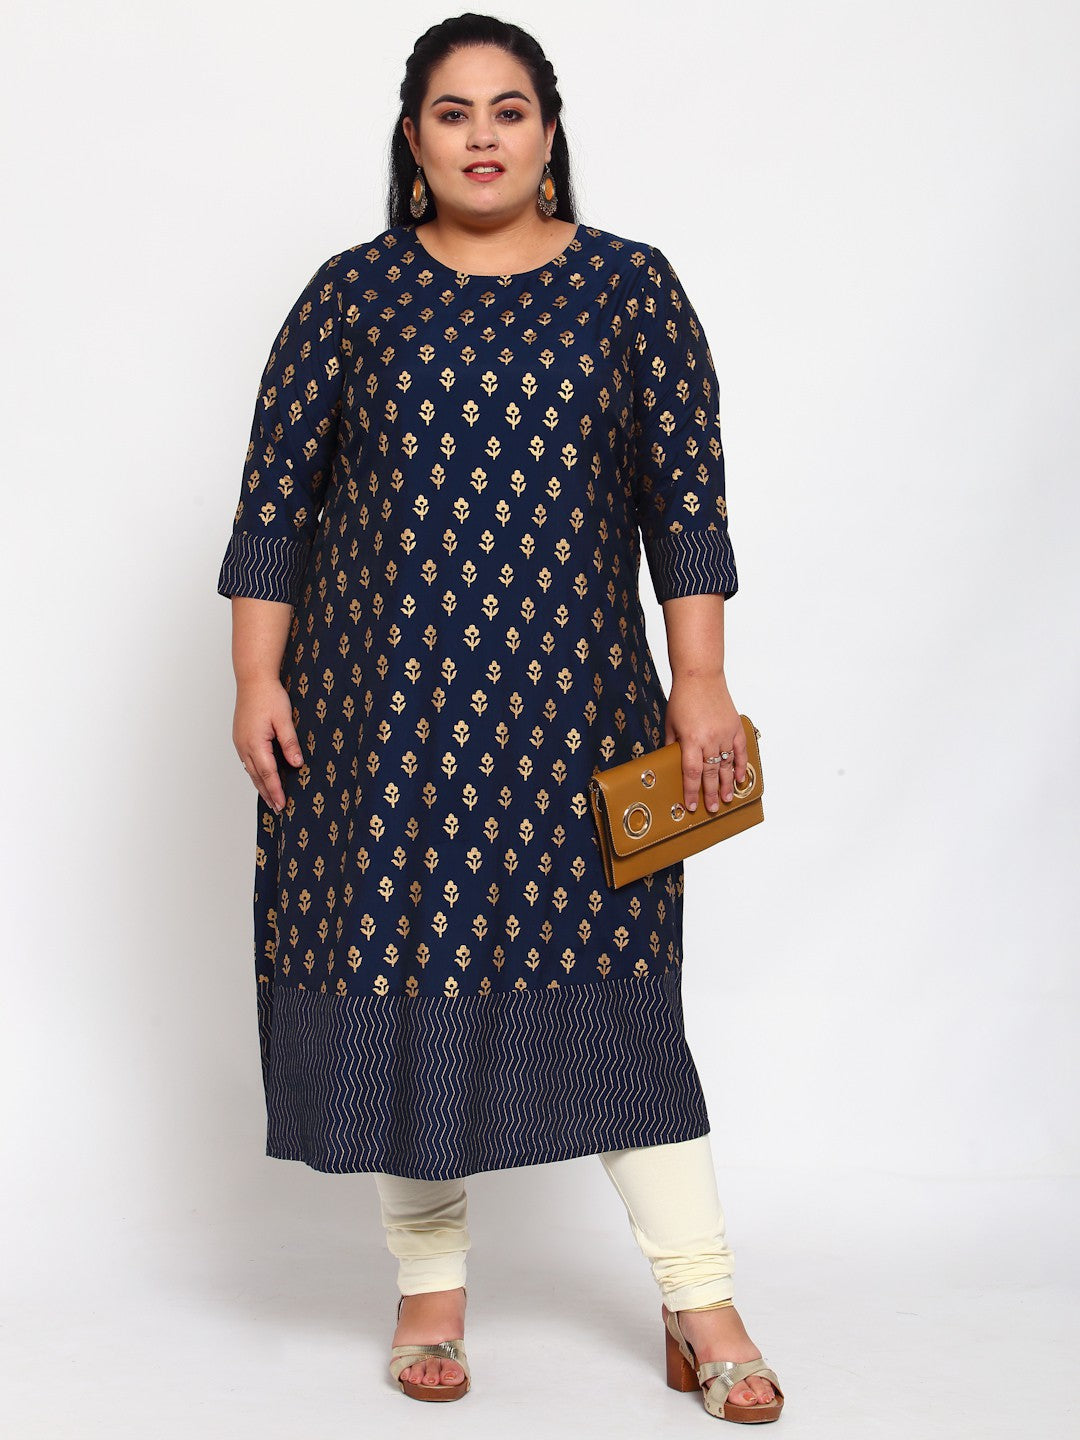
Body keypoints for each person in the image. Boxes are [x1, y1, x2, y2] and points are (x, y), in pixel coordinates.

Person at [217, 11, 784, 1424]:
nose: (483, 135)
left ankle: (700, 1299)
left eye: (510, 109)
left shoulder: (631, 290)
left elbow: (685, 500)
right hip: (380, 717)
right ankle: (431, 1294)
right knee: (403, 979)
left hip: (576, 713)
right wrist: (255, 680)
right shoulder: (351, 296)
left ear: (549, 131)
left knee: (623, 1000)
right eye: (454, 111)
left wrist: (699, 680)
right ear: (412, 139)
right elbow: (276, 503)